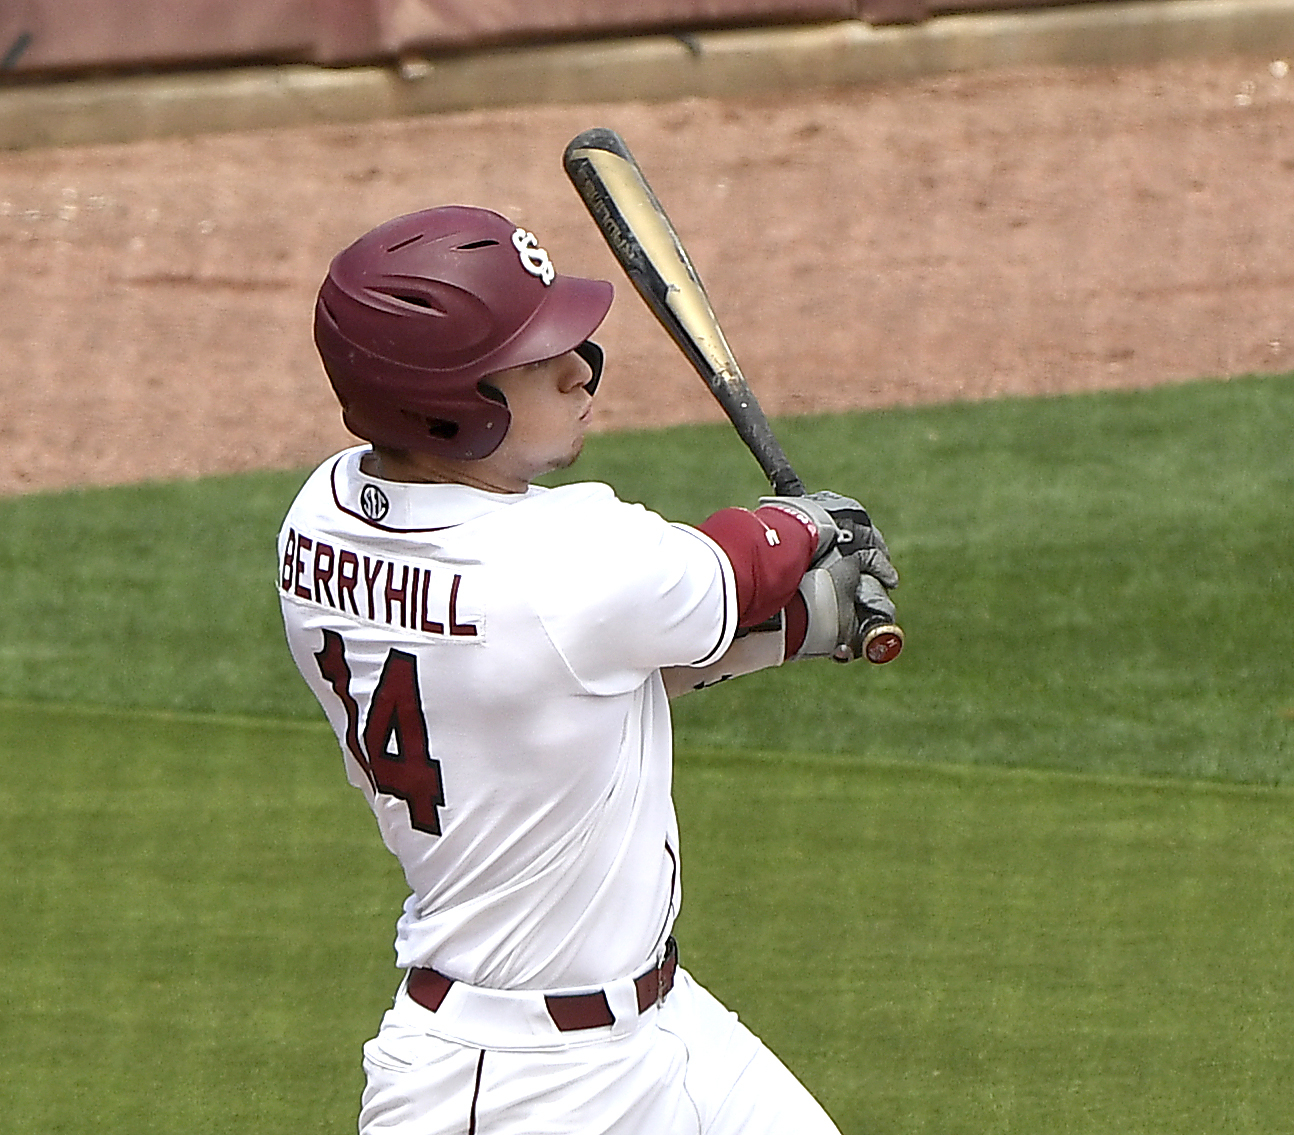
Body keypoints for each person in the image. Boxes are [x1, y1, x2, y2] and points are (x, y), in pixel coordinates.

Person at [277, 204, 900, 1135]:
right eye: (536, 359)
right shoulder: (567, 557)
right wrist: (808, 524)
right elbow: (728, 569)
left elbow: (578, 675)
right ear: (448, 403)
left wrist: (796, 625)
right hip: (517, 1087)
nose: (581, 370)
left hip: (665, 1024)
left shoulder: (320, 520)